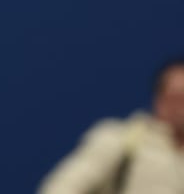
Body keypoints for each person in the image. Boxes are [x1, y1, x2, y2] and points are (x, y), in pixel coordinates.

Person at [38, 58, 184, 194]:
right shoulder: (119, 138)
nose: (181, 108)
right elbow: (61, 188)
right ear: (159, 99)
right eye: (176, 98)